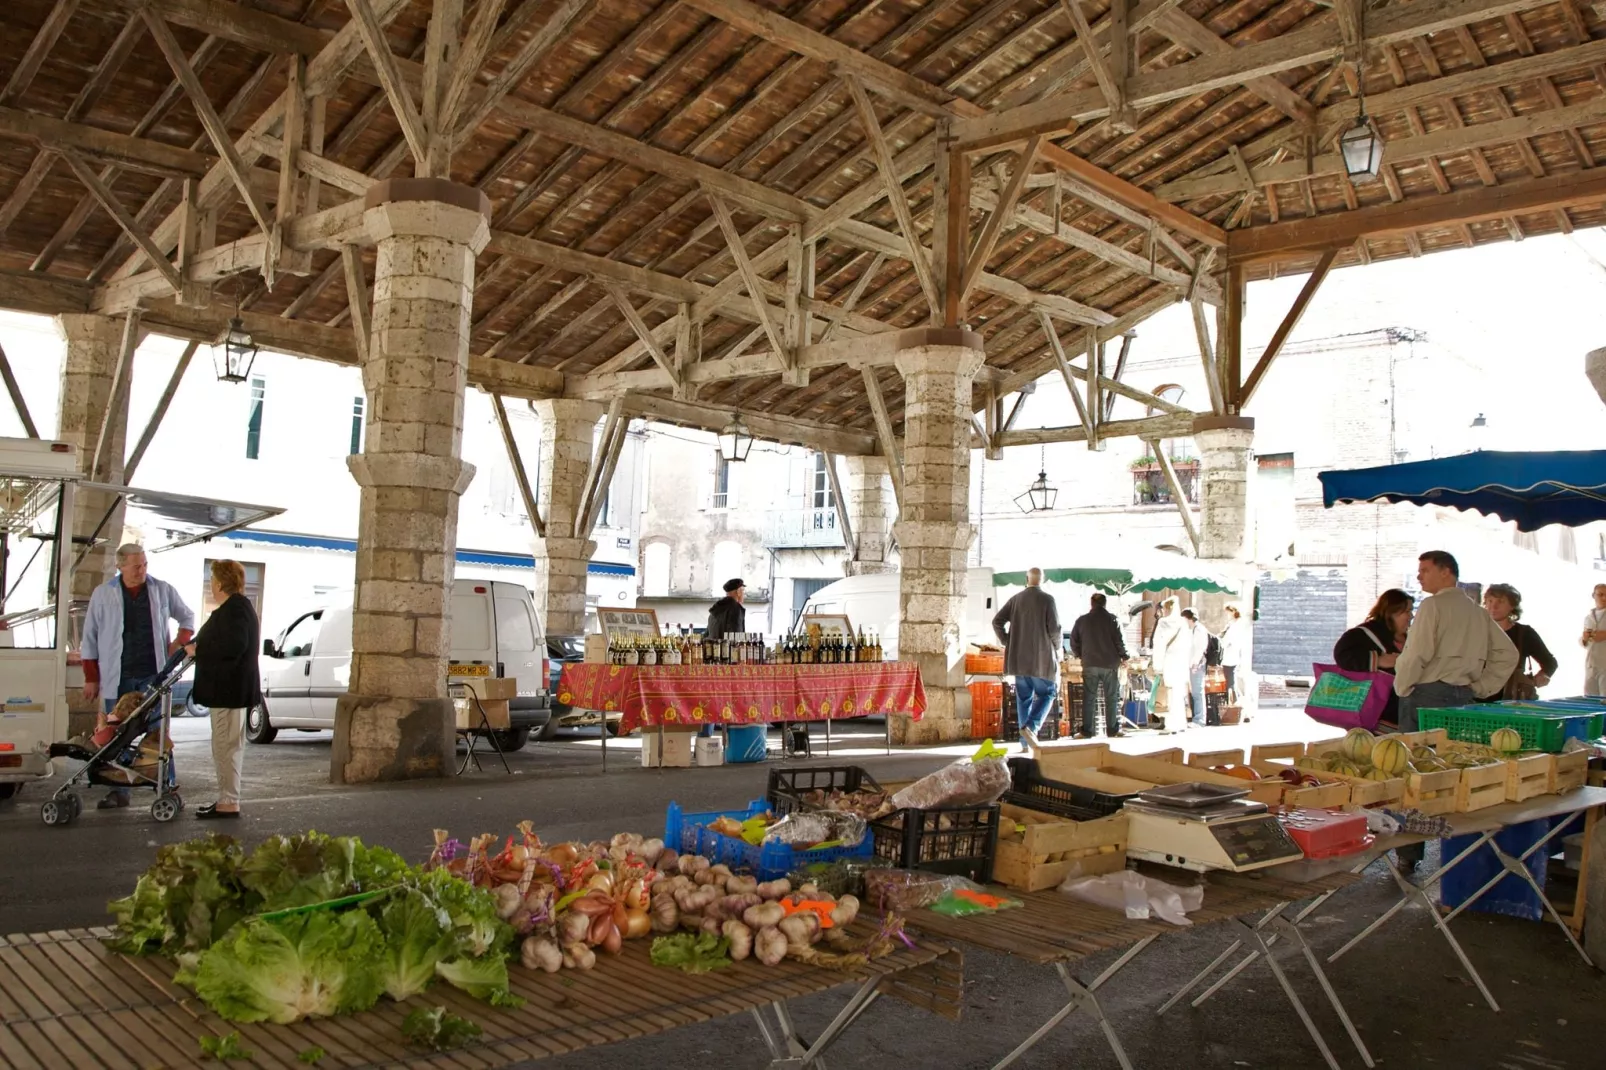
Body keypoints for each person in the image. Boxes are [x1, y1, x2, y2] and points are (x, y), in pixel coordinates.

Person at [80, 543, 193, 808]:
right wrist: (91, 677)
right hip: (116, 676)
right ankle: (118, 791)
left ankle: (166, 785)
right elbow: (90, 637)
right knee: (116, 734)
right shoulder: (102, 593)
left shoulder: (162, 589)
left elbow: (187, 617)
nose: (141, 570)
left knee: (157, 731)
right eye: (135, 566)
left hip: (152, 675)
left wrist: (178, 643)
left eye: (144, 564)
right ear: (120, 566)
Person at [1394, 551, 1517, 732]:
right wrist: (1481, 687)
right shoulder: (1479, 612)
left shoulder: (1432, 605)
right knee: (1451, 755)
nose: (1419, 576)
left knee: (1417, 756)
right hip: (1464, 694)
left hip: (1427, 694)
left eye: (1425, 570)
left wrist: (1402, 686)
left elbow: (1417, 653)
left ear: (1445, 572)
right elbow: (1508, 654)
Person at [183, 561, 260, 820]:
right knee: (229, 746)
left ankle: (228, 801)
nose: (211, 585)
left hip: (228, 691)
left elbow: (233, 646)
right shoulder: (240, 607)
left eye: (212, 579)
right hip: (232, 691)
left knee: (225, 746)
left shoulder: (234, 609)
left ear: (219, 583)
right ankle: (227, 799)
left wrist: (199, 650)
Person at [992, 568, 1061, 750]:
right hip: (1040, 659)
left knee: (1024, 699)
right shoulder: (1048, 600)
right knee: (1048, 693)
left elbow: (996, 621)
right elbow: (1054, 630)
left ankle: (1025, 744)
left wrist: (1008, 641)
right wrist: (1057, 648)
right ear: (1042, 580)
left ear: (1026, 579)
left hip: (1018, 660)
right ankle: (1031, 728)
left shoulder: (1016, 599)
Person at [1333, 589, 1414, 731]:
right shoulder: (1366, 633)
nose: (1411, 616)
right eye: (1406, 612)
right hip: (1374, 716)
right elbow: (1342, 654)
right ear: (1392, 612)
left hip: (1403, 713)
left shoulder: (1410, 637)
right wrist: (1378, 660)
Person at [1480, 584, 1555, 702]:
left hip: (1512, 697)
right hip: (1477, 697)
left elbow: (1550, 662)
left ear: (1512, 606)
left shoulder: (1524, 633)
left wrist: (1542, 676)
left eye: (1501, 601)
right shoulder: (1475, 630)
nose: (1494, 606)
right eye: (1490, 601)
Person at [1069, 593, 1127, 738]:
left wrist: (1081, 655)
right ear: (1105, 604)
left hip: (1090, 664)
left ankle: (1087, 731)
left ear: (1091, 603)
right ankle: (1112, 730)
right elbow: (1119, 641)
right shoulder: (1113, 620)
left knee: (1089, 697)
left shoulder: (1082, 621)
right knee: (1111, 697)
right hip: (1110, 664)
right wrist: (1124, 656)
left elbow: (1073, 641)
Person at [1148, 597, 1180, 727]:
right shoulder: (1181, 623)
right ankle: (1177, 721)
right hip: (1178, 662)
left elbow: (1158, 644)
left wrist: (1156, 664)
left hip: (1165, 661)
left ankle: (1164, 719)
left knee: (1163, 691)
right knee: (1176, 693)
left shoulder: (1162, 623)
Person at [1220, 603, 1251, 706]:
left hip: (1230, 656)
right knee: (1231, 681)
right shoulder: (1232, 623)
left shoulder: (1236, 625)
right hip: (1230, 656)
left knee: (1231, 682)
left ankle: (1237, 704)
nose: (1227, 615)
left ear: (1233, 611)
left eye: (1228, 612)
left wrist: (1221, 643)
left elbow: (1228, 640)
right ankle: (1238, 704)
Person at [1581, 583, 1606, 696]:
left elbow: (1599, 636)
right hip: (1591, 665)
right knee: (1590, 699)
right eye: (1600, 594)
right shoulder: (1589, 617)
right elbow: (1587, 639)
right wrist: (1584, 639)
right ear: (1593, 595)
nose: (1604, 598)